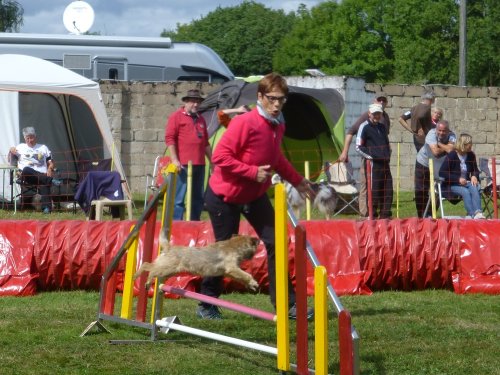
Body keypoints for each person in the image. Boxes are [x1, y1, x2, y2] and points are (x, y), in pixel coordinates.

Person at [199, 73, 315, 320]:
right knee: (225, 251)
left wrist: (298, 180)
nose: (277, 105)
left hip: (254, 196)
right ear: (260, 97)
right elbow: (220, 157)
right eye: (272, 99)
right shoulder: (245, 122)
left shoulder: (278, 124)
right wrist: (252, 172)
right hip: (224, 196)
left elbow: (276, 159)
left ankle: (287, 305)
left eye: (281, 100)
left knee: (277, 242)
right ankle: (206, 303)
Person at [339, 94, 390, 217]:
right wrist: (345, 152)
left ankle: (384, 213)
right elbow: (351, 132)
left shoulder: (384, 118)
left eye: (384, 100)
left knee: (384, 187)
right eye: (379, 100)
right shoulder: (365, 120)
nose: (382, 102)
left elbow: (384, 138)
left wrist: (387, 152)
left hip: (383, 160)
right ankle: (365, 212)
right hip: (369, 160)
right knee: (366, 186)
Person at [165, 89, 212, 221]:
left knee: (197, 198)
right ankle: (176, 225)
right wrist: (175, 160)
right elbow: (170, 139)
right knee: (179, 198)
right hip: (183, 164)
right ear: (186, 102)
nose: (195, 105)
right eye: (192, 102)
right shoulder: (176, 117)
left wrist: (213, 162)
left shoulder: (201, 119)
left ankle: (194, 224)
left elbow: (205, 143)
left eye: (198, 102)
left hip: (199, 164)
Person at [9, 126, 60, 214]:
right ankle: (51, 181)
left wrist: (50, 169)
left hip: (42, 175)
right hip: (26, 176)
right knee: (26, 169)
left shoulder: (43, 147)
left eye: (31, 137)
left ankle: (46, 209)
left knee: (44, 181)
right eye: (27, 138)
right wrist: (10, 151)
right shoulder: (20, 147)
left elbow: (51, 162)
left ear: (35, 136)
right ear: (24, 138)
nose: (29, 140)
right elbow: (11, 161)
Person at [355, 103, 393, 219]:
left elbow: (386, 143)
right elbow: (358, 147)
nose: (377, 115)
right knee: (374, 190)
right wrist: (372, 157)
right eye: (375, 113)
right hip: (373, 164)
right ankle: (372, 215)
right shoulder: (364, 127)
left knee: (387, 190)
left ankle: (385, 215)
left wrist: (387, 154)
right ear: (369, 113)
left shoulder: (382, 127)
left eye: (379, 113)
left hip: (385, 163)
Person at [414, 120, 456, 218]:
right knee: (421, 189)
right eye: (439, 130)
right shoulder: (431, 133)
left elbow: (450, 150)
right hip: (423, 162)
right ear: (436, 129)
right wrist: (446, 147)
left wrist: (439, 144)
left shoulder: (452, 135)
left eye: (444, 131)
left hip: (439, 164)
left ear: (448, 131)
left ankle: (430, 214)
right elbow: (436, 152)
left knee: (437, 190)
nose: (441, 133)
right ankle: (421, 215)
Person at [439, 134, 485, 219]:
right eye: (469, 143)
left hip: (466, 182)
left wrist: (474, 176)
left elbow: (475, 169)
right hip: (452, 184)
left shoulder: (471, 155)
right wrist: (458, 179)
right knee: (465, 192)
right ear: (463, 144)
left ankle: (478, 212)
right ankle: (472, 214)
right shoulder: (452, 155)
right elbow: (442, 172)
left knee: (475, 187)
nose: (471, 145)